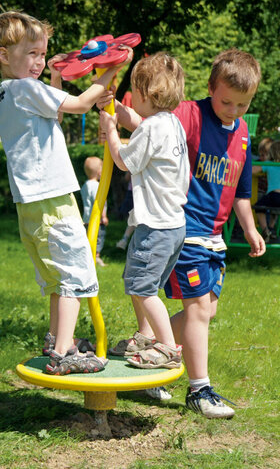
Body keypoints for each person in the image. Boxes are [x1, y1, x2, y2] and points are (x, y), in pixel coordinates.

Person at [99, 48, 266, 417]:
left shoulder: (241, 135)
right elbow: (148, 128)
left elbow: (240, 191)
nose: (234, 111)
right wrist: (115, 114)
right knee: (196, 311)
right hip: (183, 226)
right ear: (210, 88)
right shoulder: (189, 114)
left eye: (243, 105)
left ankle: (149, 352)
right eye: (227, 102)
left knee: (205, 312)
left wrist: (251, 228)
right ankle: (199, 389)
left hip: (215, 236)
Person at [0, 10, 129, 375]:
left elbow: (55, 114)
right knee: (75, 273)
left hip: (30, 204)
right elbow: (79, 106)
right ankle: (65, 352)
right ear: (4, 54)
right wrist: (109, 71)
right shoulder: (26, 89)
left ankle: (54, 338)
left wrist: (56, 76)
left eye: (43, 54)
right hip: (52, 198)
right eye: (31, 53)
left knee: (55, 276)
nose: (40, 60)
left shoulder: (6, 95)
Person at [99, 51, 190, 372]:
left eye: (133, 91)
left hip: (155, 226)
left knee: (141, 287)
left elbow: (125, 160)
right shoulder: (171, 124)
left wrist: (111, 130)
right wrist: (122, 114)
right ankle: (145, 335)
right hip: (173, 225)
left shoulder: (152, 130)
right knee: (137, 281)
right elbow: (144, 127)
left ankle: (167, 347)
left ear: (145, 94)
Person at [81, 156, 109, 266]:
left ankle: (88, 257)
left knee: (89, 237)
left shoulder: (85, 185)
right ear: (99, 172)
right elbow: (98, 202)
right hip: (97, 219)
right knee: (99, 237)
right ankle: (96, 256)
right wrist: (104, 216)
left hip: (86, 218)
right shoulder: (97, 186)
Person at [253, 139, 280, 242]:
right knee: (275, 210)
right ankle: (272, 229)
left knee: (259, 207)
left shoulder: (269, 163)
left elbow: (253, 170)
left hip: (274, 195)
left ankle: (265, 230)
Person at [116, 171, 136, 250]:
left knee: (133, 218)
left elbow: (126, 178)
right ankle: (126, 239)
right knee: (134, 218)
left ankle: (125, 239)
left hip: (133, 192)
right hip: (135, 193)